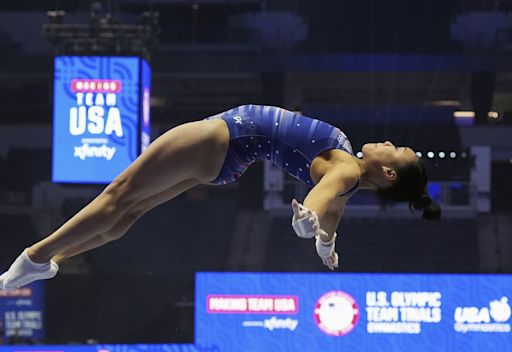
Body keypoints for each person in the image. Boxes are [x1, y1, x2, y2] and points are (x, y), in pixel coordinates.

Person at [0, 104, 440, 291]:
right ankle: (50, 265)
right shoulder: (350, 177)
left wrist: (306, 218)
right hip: (224, 164)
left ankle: (36, 256)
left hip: (220, 138)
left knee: (119, 196)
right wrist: (324, 242)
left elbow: (322, 199)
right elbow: (332, 212)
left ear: (387, 171)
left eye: (395, 148)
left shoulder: (345, 167)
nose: (387, 140)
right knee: (126, 215)